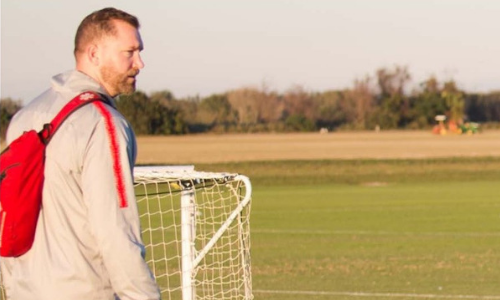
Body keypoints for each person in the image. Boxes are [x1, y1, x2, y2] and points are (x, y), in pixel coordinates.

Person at [0, 7, 161, 300]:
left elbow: (9, 220)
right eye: (130, 52)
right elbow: (116, 230)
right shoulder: (104, 123)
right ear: (94, 53)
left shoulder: (25, 117)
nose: (140, 63)